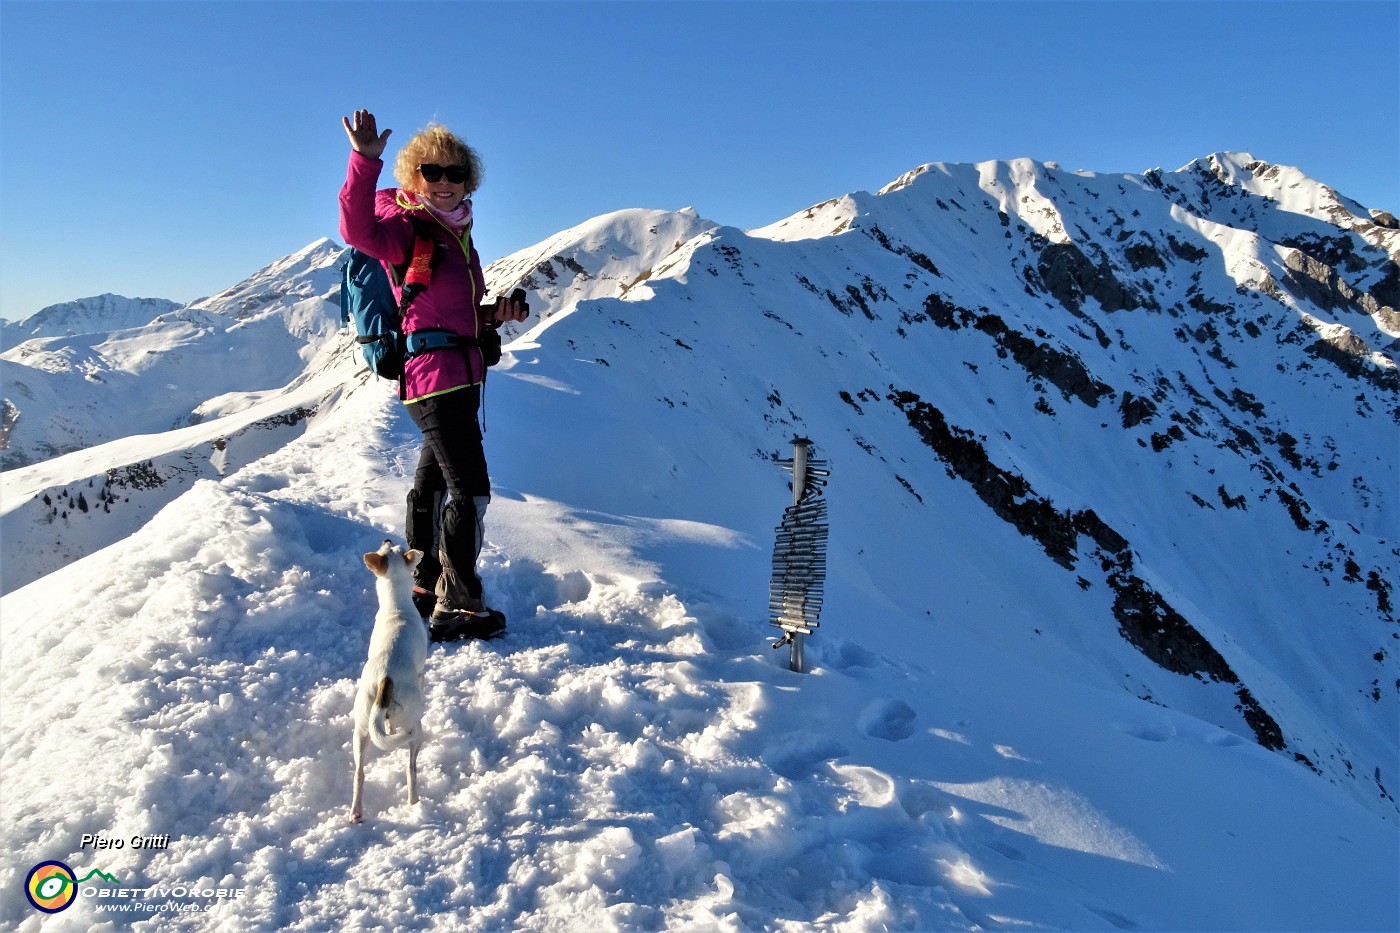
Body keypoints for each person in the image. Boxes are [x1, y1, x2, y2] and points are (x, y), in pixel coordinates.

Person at [339, 109, 528, 642]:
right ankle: (460, 605)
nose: (443, 182)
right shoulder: (407, 227)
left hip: (460, 374)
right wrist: (364, 160)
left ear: (470, 180)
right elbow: (357, 230)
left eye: (454, 173)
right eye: (431, 172)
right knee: (470, 490)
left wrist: (495, 315)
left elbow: (450, 308)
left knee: (433, 483)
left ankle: (421, 586)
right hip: (435, 377)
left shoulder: (456, 235)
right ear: (412, 176)